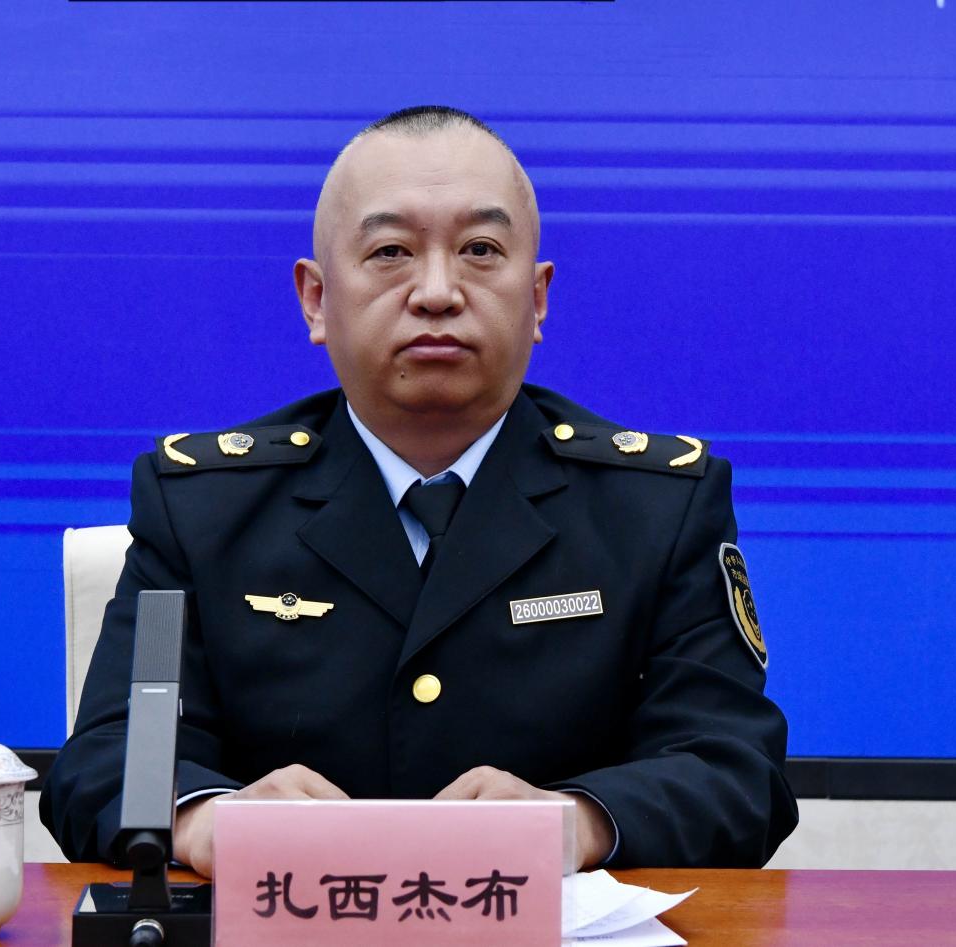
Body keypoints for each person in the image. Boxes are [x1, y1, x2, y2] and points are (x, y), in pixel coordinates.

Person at [40, 106, 798, 876]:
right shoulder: (202, 509)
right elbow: (108, 760)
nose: (437, 292)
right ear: (316, 300)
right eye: (391, 251)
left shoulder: (657, 508)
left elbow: (738, 774)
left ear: (538, 298)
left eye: (480, 250)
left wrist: (578, 822)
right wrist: (206, 819)